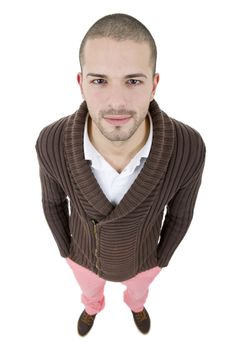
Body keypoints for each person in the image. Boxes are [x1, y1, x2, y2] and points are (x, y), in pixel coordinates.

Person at [35, 13, 206, 336]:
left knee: (139, 293)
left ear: (153, 85)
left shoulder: (190, 146)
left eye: (133, 81)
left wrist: (160, 260)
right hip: (83, 258)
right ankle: (91, 306)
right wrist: (67, 252)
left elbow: (181, 215)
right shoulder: (51, 141)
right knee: (89, 291)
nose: (116, 102)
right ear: (81, 83)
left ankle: (136, 305)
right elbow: (52, 203)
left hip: (142, 262)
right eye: (99, 81)